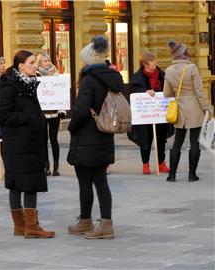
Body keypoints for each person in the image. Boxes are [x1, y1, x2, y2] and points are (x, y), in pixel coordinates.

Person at [67, 35, 124, 239]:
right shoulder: (112, 78)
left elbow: (81, 111)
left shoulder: (90, 80)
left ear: (90, 60)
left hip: (86, 139)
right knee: (101, 181)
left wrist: (72, 127)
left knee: (85, 182)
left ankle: (86, 221)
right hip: (104, 136)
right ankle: (105, 223)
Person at [0, 50, 55, 238]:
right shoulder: (11, 86)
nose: (35, 65)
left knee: (20, 183)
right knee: (26, 184)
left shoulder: (28, 84)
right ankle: (29, 227)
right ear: (21, 66)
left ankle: (23, 226)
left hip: (29, 142)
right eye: (31, 62)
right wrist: (27, 117)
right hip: (19, 144)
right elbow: (1, 115)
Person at [164, 41, 213, 182]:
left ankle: (172, 175)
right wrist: (208, 108)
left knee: (177, 143)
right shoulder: (192, 68)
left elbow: (167, 93)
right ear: (185, 53)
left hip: (179, 110)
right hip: (194, 109)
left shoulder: (168, 70)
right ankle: (192, 175)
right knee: (194, 143)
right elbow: (199, 92)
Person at [128, 52, 172, 174]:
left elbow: (169, 88)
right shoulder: (138, 77)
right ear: (145, 64)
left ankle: (161, 163)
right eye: (152, 61)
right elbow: (133, 91)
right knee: (145, 139)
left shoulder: (162, 75)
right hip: (145, 115)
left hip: (160, 113)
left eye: (155, 60)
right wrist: (145, 91)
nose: (155, 62)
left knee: (161, 139)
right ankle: (145, 164)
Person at [36, 52, 66, 176]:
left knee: (54, 139)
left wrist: (62, 109)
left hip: (54, 112)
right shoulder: (36, 75)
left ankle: (56, 165)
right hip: (42, 113)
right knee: (43, 140)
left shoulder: (56, 74)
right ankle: (45, 165)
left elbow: (61, 93)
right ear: (39, 63)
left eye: (48, 60)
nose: (47, 62)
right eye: (44, 61)